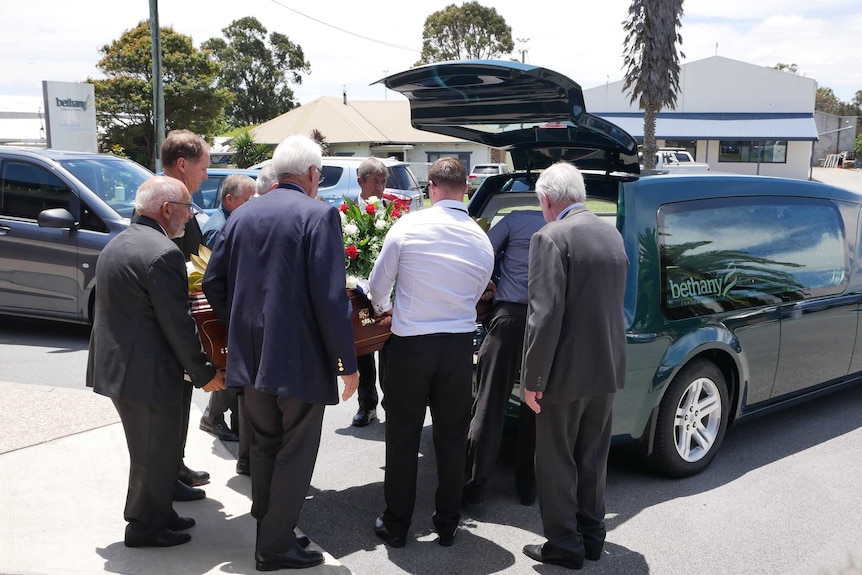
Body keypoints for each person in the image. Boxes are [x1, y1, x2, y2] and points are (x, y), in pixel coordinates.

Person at [203, 134, 360, 571]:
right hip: (300, 358)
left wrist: (242, 318)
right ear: (312, 174)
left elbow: (213, 282)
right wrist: (347, 364)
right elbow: (331, 300)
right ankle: (274, 545)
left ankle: (270, 528)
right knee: (296, 450)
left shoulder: (243, 213)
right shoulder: (319, 214)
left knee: (267, 445)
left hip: (250, 356)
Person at [86, 176, 226, 548]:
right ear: (167, 210)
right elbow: (177, 324)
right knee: (152, 452)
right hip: (145, 372)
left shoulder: (119, 241)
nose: (190, 216)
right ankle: (144, 527)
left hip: (128, 367)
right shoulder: (163, 253)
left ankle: (159, 512)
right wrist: (205, 374)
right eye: (186, 209)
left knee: (159, 449)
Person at [368, 157, 494, 548]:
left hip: (410, 345)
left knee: (403, 436)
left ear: (432, 187)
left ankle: (397, 523)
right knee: (452, 437)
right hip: (457, 346)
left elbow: (377, 287)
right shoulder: (481, 240)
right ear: (465, 190)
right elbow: (476, 295)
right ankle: (448, 522)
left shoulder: (407, 227)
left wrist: (386, 308)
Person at [520, 162, 628, 570]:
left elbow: (543, 316)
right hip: (608, 365)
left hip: (564, 373)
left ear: (547, 200)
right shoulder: (611, 233)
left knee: (555, 461)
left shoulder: (551, 237)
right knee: (592, 457)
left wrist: (532, 379)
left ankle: (564, 545)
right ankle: (592, 535)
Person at [463, 208, 545, 507]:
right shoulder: (561, 225)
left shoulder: (514, 220)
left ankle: (473, 485)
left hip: (508, 317)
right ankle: (527, 486)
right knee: (535, 404)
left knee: (489, 401)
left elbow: (481, 251)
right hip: (545, 323)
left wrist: (487, 282)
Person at [160, 129, 214, 501]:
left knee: (179, 403)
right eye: (203, 167)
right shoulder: (167, 202)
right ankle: (167, 476)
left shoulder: (179, 199)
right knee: (169, 407)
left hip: (181, 315)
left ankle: (174, 466)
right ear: (183, 165)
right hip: (170, 322)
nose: (206, 175)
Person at [198, 175, 254, 466]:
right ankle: (213, 417)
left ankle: (222, 419)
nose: (252, 205)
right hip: (224, 310)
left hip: (230, 309)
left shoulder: (231, 221)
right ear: (229, 200)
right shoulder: (219, 228)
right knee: (232, 369)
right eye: (247, 199)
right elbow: (217, 276)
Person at [351, 157, 389, 427]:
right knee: (363, 352)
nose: (380, 186)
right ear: (360, 182)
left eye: (383, 181)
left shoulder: (393, 210)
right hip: (358, 292)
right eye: (375, 181)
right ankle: (367, 406)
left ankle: (392, 404)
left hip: (388, 291)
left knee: (390, 349)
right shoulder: (346, 211)